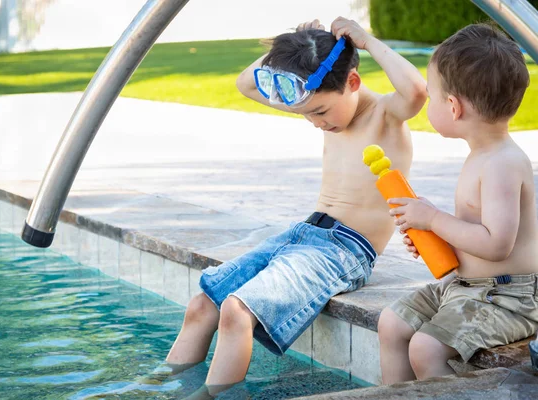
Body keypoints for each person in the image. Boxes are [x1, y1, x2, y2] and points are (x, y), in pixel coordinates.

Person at [166, 17, 427, 397]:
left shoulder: (385, 115)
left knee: (237, 311)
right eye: (307, 113)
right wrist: (289, 53)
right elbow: (245, 83)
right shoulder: (317, 98)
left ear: (353, 82)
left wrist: (366, 40)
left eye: (320, 112)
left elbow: (417, 90)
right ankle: (159, 387)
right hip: (302, 234)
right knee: (203, 305)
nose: (314, 122)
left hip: (346, 248)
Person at [378, 23, 538, 385]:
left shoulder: (502, 162)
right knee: (391, 324)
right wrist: (436, 238)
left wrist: (434, 219)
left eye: (433, 97)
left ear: (453, 106)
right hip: (465, 287)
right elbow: (476, 232)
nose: (430, 105)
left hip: (507, 297)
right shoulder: (483, 154)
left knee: (425, 348)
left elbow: (497, 244)